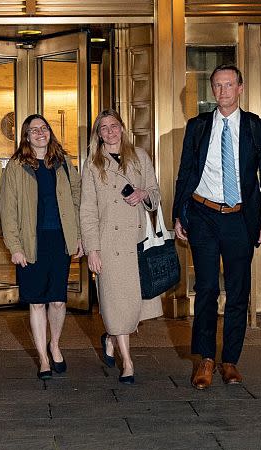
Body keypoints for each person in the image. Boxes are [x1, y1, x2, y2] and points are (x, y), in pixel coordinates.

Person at [173, 64, 261, 389]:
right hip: (204, 215)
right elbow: (185, 172)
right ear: (213, 89)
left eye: (229, 85)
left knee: (237, 291)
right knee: (205, 287)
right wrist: (180, 213)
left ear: (240, 88)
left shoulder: (257, 128)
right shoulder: (198, 126)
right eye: (217, 85)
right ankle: (205, 359)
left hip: (240, 218)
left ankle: (230, 359)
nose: (223, 91)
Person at [80, 109, 163, 384]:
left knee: (133, 307)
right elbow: (87, 210)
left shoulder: (140, 157)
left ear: (123, 128)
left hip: (136, 240)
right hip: (108, 244)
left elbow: (155, 192)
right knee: (116, 304)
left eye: (114, 126)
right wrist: (92, 248)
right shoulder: (93, 164)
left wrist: (144, 195)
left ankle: (111, 338)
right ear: (98, 134)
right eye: (103, 128)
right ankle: (127, 362)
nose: (110, 131)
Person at [0, 114, 82, 380]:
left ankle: (54, 344)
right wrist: (15, 247)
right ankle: (43, 359)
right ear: (25, 135)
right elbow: (8, 210)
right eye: (33, 130)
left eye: (43, 128)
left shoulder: (63, 163)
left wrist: (78, 236)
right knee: (36, 302)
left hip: (59, 239)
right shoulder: (16, 166)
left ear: (50, 132)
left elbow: (77, 198)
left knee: (57, 300)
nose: (39, 133)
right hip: (30, 242)